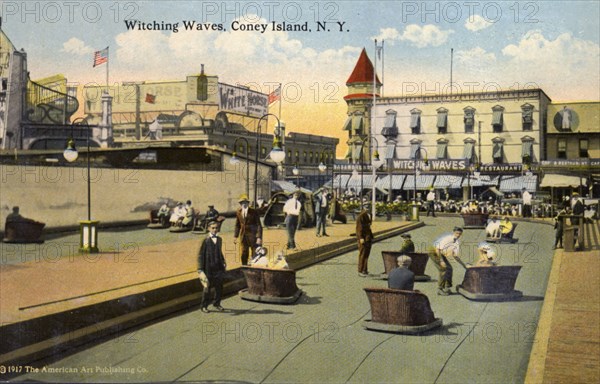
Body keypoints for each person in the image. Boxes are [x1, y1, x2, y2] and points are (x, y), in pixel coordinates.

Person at [197, 221, 227, 313]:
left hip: (218, 267)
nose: (215, 230)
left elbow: (219, 252)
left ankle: (217, 303)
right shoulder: (205, 240)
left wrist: (223, 261)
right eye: (213, 228)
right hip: (208, 268)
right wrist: (200, 269)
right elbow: (200, 255)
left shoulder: (219, 239)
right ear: (209, 228)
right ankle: (204, 306)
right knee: (207, 288)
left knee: (219, 287)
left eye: (216, 228)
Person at [429, 227, 464, 295]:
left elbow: (455, 256)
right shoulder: (448, 239)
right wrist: (441, 261)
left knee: (450, 269)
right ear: (453, 232)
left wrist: (464, 265)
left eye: (460, 234)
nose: (458, 235)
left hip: (440, 253)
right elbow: (438, 250)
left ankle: (446, 287)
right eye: (457, 233)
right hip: (434, 252)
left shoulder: (456, 242)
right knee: (443, 269)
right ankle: (440, 288)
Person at [234, 194, 263, 265]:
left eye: (245, 202)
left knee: (255, 253)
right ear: (240, 204)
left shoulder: (253, 212)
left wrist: (259, 237)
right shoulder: (238, 212)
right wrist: (235, 236)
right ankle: (244, 266)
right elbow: (237, 225)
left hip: (253, 236)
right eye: (242, 203)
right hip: (243, 236)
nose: (244, 204)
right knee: (244, 252)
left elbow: (259, 225)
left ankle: (255, 267)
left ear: (248, 203)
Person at [356, 202, 373, 277]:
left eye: (369, 207)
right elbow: (359, 228)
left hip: (368, 237)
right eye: (366, 207)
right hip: (363, 237)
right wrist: (360, 238)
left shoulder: (369, 215)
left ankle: (364, 270)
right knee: (362, 254)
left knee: (366, 254)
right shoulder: (361, 216)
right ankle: (360, 270)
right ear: (363, 207)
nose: (367, 208)